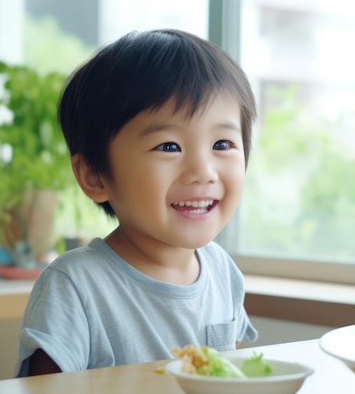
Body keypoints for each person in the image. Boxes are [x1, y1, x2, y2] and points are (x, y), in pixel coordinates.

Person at [15, 29, 259, 377]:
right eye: (169, 147)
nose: (203, 172)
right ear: (95, 176)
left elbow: (231, 379)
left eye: (222, 144)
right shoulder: (76, 285)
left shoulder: (223, 272)